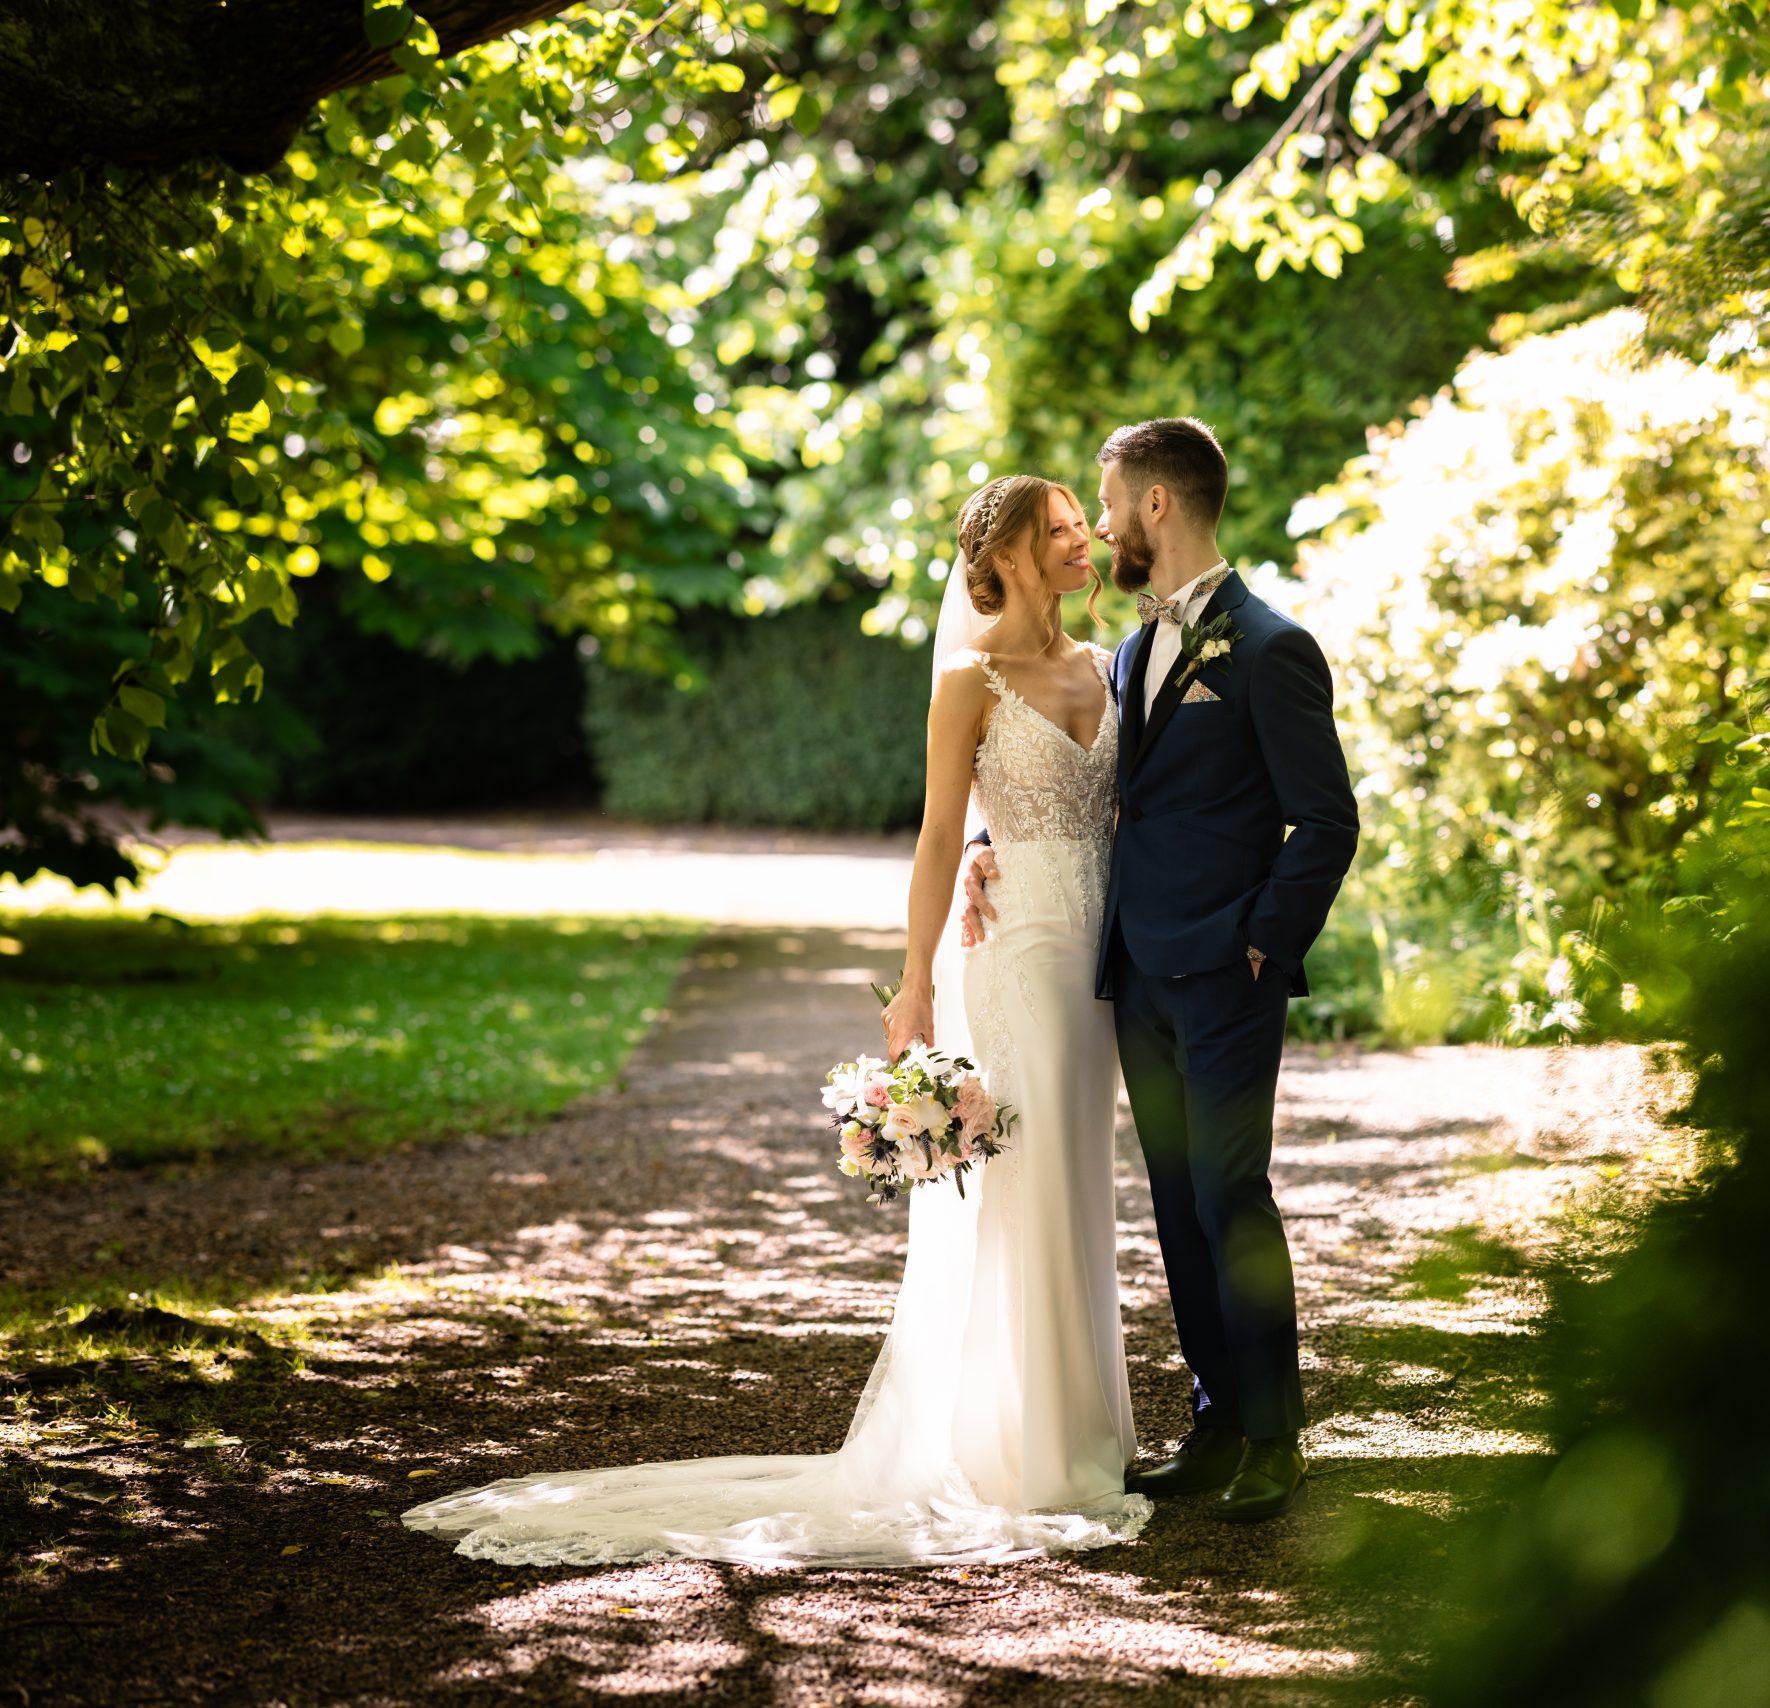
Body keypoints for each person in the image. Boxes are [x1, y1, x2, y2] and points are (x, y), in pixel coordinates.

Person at [403, 476, 1151, 1566]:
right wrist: (916, 984)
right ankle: (1030, 1449)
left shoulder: (1107, 664)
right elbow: (943, 837)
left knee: (1083, 1173)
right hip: (1019, 954)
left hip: (1104, 959)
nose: (1085, 539)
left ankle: (1088, 1428)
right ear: (1005, 555)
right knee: (1023, 1182)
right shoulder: (967, 681)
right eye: (1061, 530)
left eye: (1084, 524)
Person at [962, 417, 1358, 1522]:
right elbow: (1100, 801)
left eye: (1108, 500)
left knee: (1233, 1191)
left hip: (1226, 972)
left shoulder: (1271, 647)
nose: (1096, 525)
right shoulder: (1132, 651)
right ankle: (1217, 1418)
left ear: (1157, 506)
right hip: (1133, 973)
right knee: (1179, 1202)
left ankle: (1276, 1435)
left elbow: (1324, 822)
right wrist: (987, 849)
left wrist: (1263, 940)